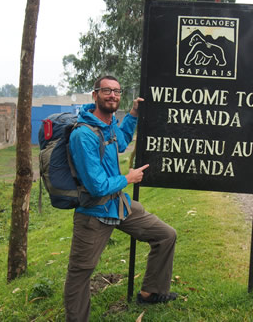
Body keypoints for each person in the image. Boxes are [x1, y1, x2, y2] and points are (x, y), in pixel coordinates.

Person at [64, 76, 177, 321]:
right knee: (79, 275)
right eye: (107, 91)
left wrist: (134, 113)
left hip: (118, 205)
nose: (113, 95)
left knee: (166, 235)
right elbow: (96, 186)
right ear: (95, 95)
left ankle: (151, 292)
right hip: (93, 214)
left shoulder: (108, 125)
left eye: (116, 91)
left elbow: (122, 142)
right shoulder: (83, 135)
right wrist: (128, 178)